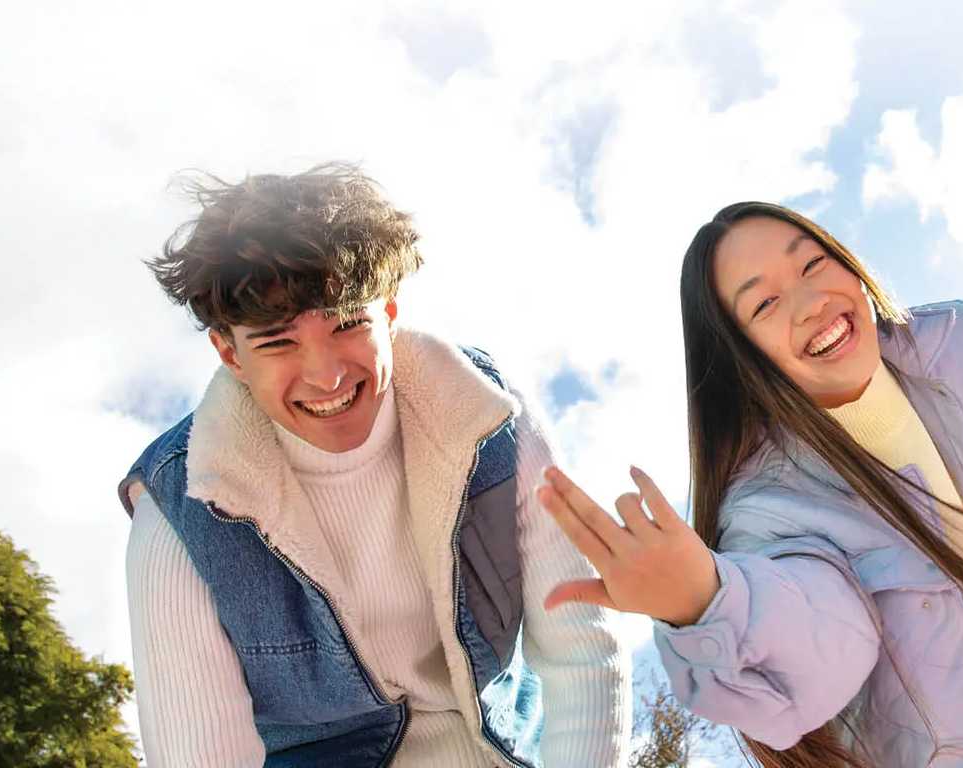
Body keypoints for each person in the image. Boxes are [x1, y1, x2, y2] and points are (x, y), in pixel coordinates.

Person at [538, 201, 963, 766]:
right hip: (958, 746)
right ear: (743, 356)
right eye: (766, 304)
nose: (810, 301)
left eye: (813, 264)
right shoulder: (769, 505)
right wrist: (706, 604)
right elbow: (823, 636)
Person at [118, 163, 631, 766]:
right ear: (229, 351)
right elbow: (202, 755)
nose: (327, 375)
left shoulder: (488, 415)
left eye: (348, 324)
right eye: (278, 342)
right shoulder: (182, 507)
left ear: (388, 312)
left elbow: (582, 651)